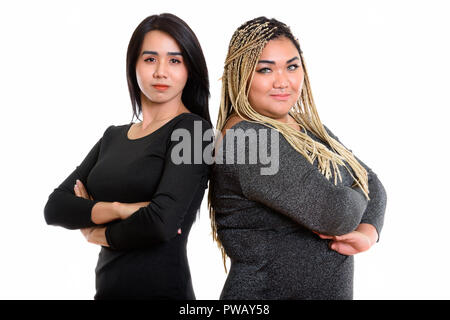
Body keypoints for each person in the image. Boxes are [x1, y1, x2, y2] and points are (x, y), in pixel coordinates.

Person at [208, 16, 387, 300]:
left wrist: (367, 232)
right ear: (240, 76)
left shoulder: (306, 127)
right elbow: (335, 213)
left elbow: (373, 182)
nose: (283, 81)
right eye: (265, 70)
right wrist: (351, 190)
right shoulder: (247, 140)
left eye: (292, 66)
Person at [44, 13, 212, 300]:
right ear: (133, 65)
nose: (161, 71)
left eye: (174, 60)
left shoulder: (195, 131)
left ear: (189, 70)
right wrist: (121, 209)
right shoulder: (113, 137)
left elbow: (162, 223)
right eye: (150, 59)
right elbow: (55, 207)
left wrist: (100, 232)